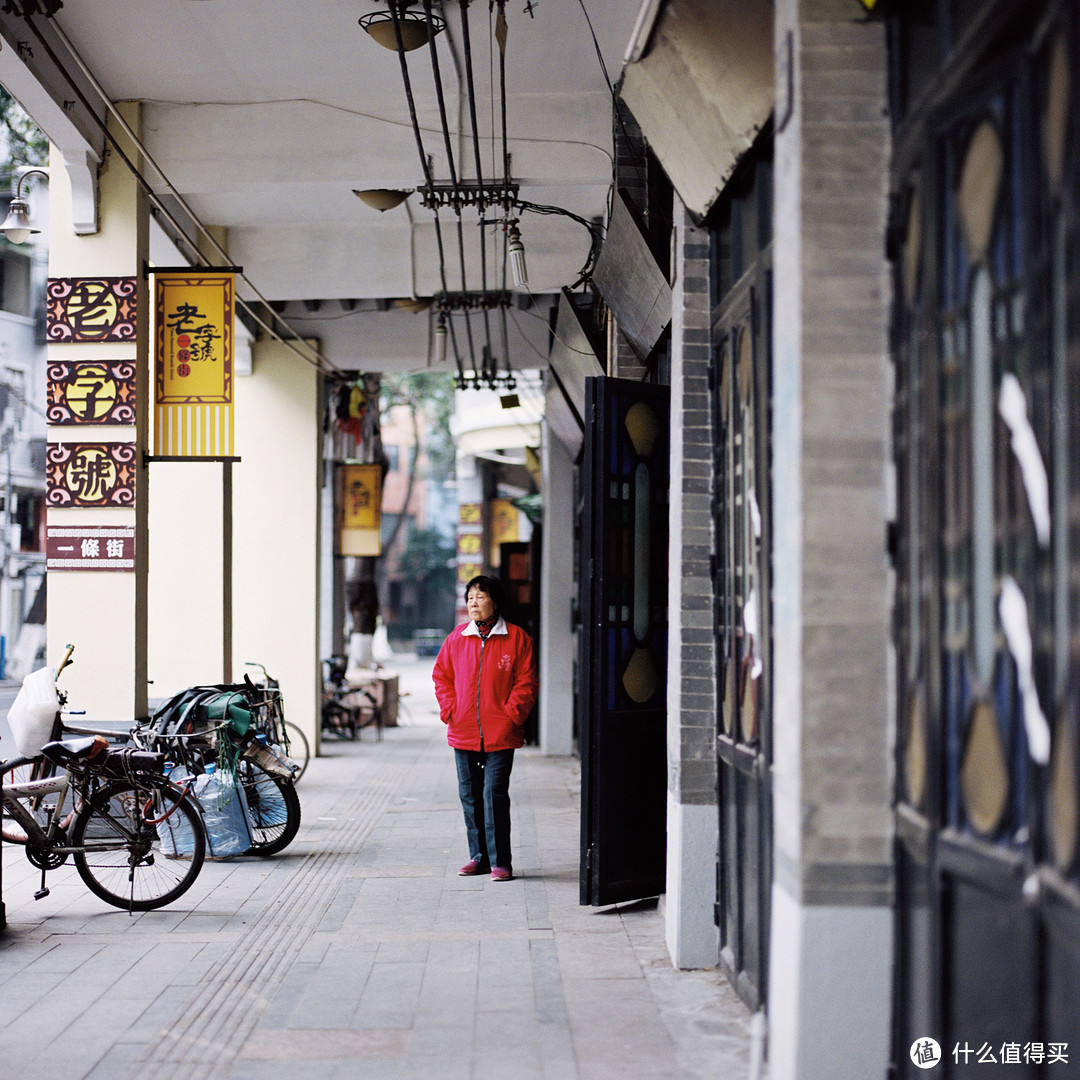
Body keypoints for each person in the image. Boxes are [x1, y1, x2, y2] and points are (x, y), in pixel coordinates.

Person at [432, 574, 537, 881]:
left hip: (502, 732)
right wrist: (451, 709)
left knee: (494, 794)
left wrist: (511, 714)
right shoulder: (457, 638)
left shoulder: (517, 638)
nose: (473, 603)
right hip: (463, 730)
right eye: (470, 598)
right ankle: (478, 856)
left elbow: (526, 682)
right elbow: (441, 678)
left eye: (480, 596)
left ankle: (500, 860)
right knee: (470, 795)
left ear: (495, 601)